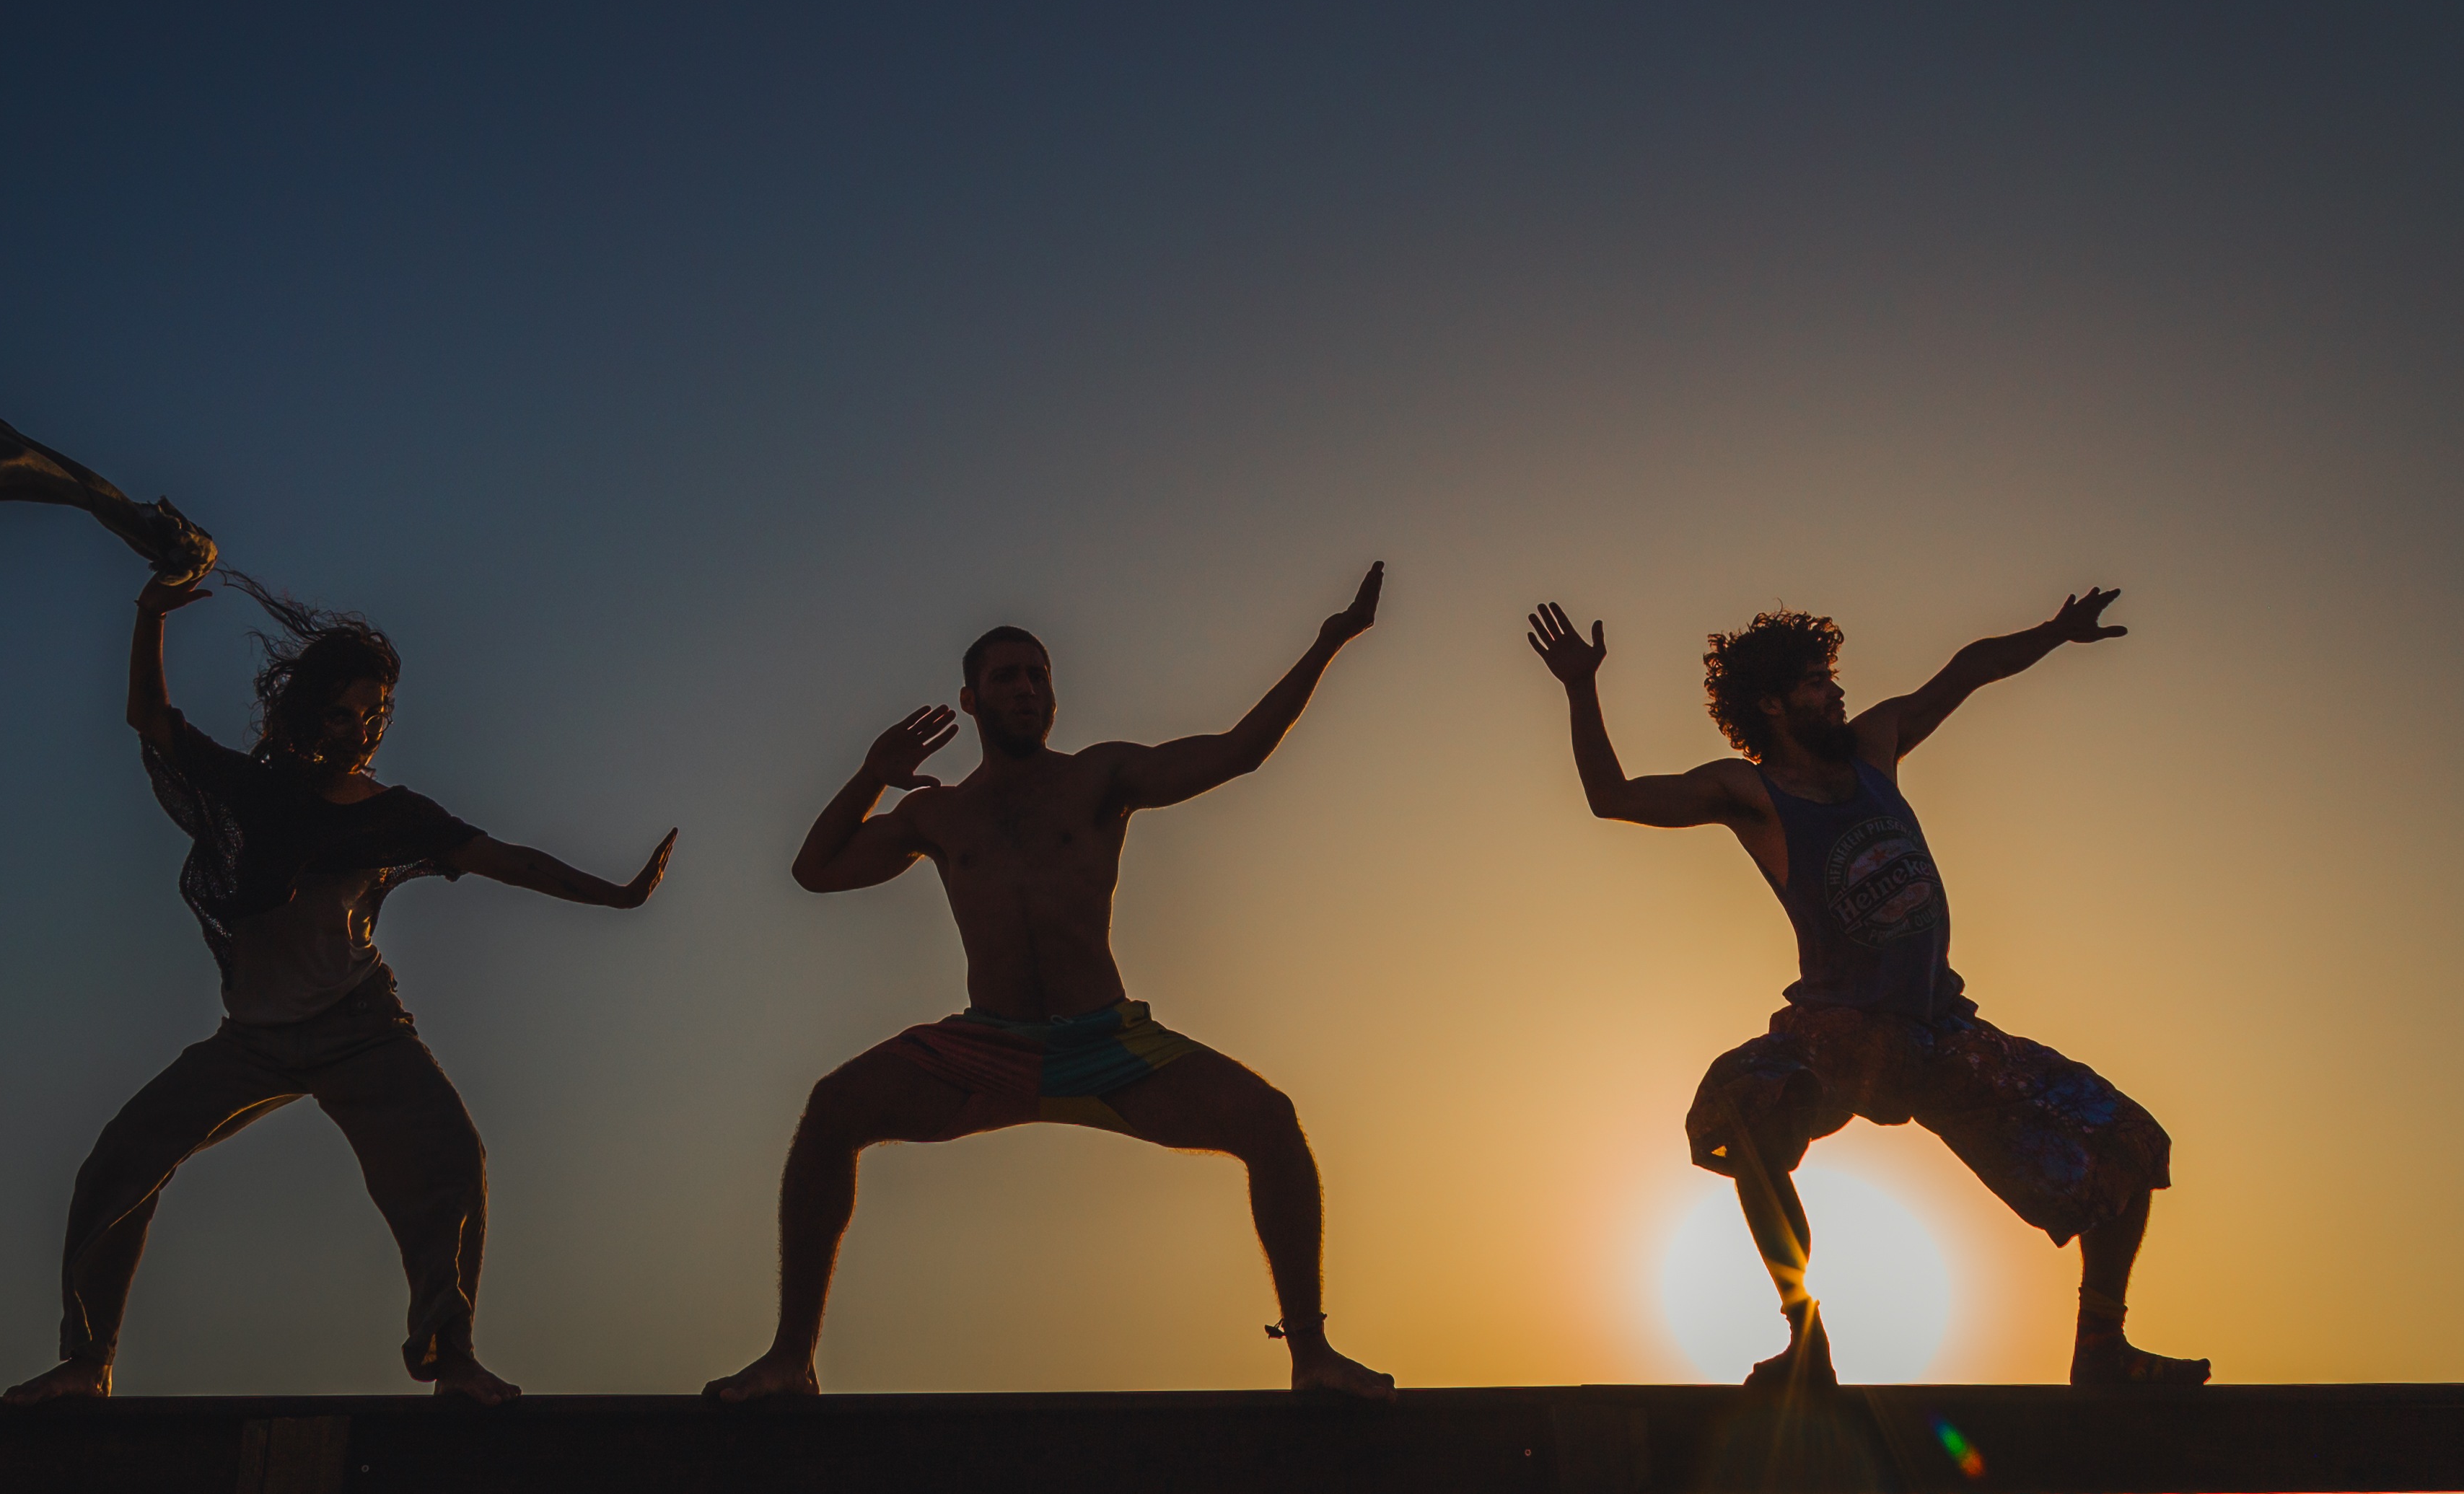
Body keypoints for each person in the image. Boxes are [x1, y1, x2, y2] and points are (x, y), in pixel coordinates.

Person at [704, 565, 1398, 1402]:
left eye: (1038, 674)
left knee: (1270, 1121)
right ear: (970, 700)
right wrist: (869, 776)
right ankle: (789, 1359)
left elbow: (1238, 752)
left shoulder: (1099, 777)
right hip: (986, 1043)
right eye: (1006, 676)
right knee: (831, 1108)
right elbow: (814, 870)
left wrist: (1327, 640)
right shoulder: (939, 815)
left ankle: (1312, 1355)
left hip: (1104, 1041)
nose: (1026, 688)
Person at [4, 573, 675, 1407]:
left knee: (450, 1159)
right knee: (119, 1161)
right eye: (343, 714)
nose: (361, 733)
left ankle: (452, 1356)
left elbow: (505, 857)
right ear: (304, 712)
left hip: (361, 1026)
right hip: (251, 1041)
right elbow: (150, 717)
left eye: (376, 717)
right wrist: (148, 613)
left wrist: (614, 893)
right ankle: (86, 1360)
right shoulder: (251, 791)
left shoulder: (389, 812)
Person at [1525, 590, 2207, 1391]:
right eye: (1815, 682)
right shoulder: (1749, 794)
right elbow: (1614, 797)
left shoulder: (1873, 749)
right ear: (1772, 704)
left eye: (1830, 677)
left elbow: (1967, 669)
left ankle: (2099, 1344)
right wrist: (1578, 686)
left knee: (2123, 1138)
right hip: (1839, 1031)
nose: (1834, 692)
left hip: (1938, 1031)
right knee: (1743, 1108)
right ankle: (1802, 1337)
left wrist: (2054, 632)